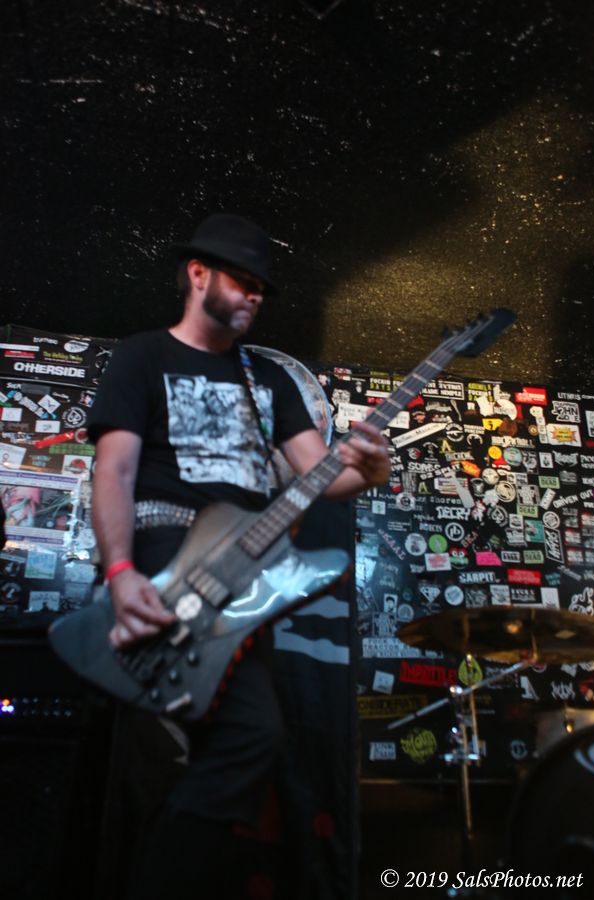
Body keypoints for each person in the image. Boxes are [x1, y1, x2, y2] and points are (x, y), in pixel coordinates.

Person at [86, 212, 391, 899]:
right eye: (242, 281)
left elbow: (322, 477)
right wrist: (121, 572)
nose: (255, 295)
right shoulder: (142, 357)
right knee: (176, 748)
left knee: (250, 739)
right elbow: (115, 471)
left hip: (245, 576)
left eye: (261, 287)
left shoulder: (268, 381)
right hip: (166, 555)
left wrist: (371, 471)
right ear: (198, 274)